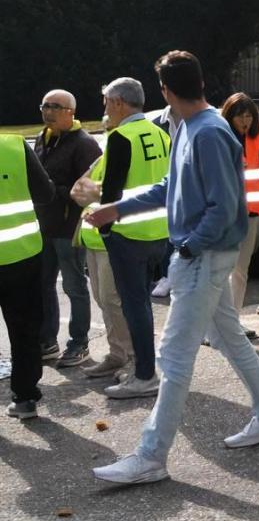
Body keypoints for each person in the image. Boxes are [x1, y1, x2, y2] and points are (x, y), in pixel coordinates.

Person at [89, 51, 259, 485]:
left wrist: (188, 250)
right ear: (198, 82)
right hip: (202, 255)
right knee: (229, 337)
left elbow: (224, 206)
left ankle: (150, 457)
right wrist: (116, 209)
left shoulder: (209, 132)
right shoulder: (186, 128)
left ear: (165, 89)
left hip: (202, 257)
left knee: (175, 357)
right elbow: (170, 187)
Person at [77, 77, 173, 398]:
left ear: (118, 103)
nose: (105, 108)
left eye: (106, 102)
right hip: (157, 231)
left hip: (126, 234)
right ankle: (137, 365)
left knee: (134, 306)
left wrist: (99, 218)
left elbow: (112, 194)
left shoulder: (121, 137)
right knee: (139, 304)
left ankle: (143, 372)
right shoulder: (161, 134)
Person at [34, 88, 100, 369]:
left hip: (70, 228)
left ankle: (79, 343)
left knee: (74, 287)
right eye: (44, 106)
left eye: (54, 106)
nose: (47, 111)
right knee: (43, 285)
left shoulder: (84, 143)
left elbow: (91, 189)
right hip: (45, 226)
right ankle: (48, 341)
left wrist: (53, 191)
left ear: (70, 112)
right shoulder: (42, 138)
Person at [1, 131, 56, 420]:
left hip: (19, 254)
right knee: (24, 330)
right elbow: (46, 193)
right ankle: (25, 398)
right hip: (20, 255)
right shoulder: (13, 145)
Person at [220, 94, 259, 339]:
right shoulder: (220, 138)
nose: (246, 121)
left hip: (249, 212)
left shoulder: (255, 138)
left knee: (240, 270)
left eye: (250, 115)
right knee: (220, 270)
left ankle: (233, 321)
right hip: (226, 214)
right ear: (230, 115)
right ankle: (217, 325)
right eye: (241, 115)